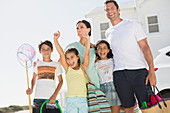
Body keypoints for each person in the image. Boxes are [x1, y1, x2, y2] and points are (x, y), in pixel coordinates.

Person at [104, 0, 157, 113]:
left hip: (138, 72)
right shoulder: (108, 33)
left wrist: (151, 71)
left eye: (112, 8)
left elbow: (145, 48)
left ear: (118, 10)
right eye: (107, 9)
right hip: (119, 74)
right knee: (128, 109)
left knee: (148, 107)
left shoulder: (133, 25)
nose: (110, 11)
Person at [53, 30, 90, 113]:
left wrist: (87, 39)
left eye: (72, 57)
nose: (70, 60)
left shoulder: (83, 67)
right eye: (67, 58)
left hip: (83, 100)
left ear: (77, 56)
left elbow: (87, 53)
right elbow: (61, 54)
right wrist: (55, 40)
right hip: (71, 101)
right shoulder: (67, 69)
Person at [26, 40, 63, 113]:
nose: (46, 51)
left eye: (48, 49)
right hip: (38, 98)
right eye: (43, 49)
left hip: (51, 99)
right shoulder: (37, 63)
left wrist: (54, 96)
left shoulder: (56, 64)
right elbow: (34, 79)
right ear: (40, 51)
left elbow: (61, 81)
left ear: (52, 50)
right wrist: (31, 89)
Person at [65, 20, 100, 88]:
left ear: (88, 29)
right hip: (80, 82)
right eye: (77, 28)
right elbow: (62, 61)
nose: (79, 30)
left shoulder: (95, 48)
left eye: (81, 27)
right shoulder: (72, 46)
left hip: (94, 81)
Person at [95, 40, 121, 113]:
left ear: (108, 50)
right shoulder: (95, 63)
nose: (102, 50)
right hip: (102, 89)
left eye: (104, 48)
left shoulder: (113, 61)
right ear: (96, 51)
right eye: (99, 48)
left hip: (114, 88)